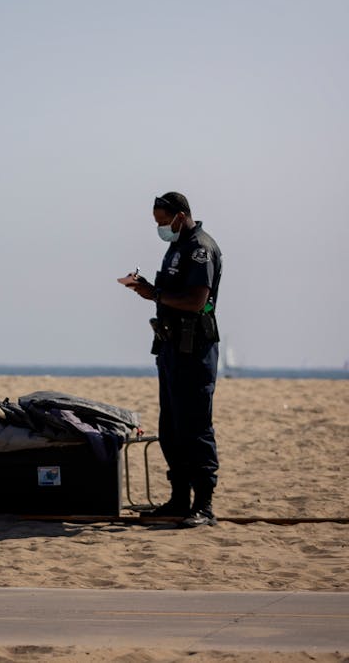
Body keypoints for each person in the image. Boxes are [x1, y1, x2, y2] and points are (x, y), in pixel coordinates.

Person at [122, 191, 222, 528]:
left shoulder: (200, 249)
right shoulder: (176, 247)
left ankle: (203, 505)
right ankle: (179, 499)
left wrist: (156, 294)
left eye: (164, 222)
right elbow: (169, 293)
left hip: (195, 350)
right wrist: (148, 289)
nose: (161, 228)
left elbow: (196, 301)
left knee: (195, 426)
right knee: (171, 428)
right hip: (170, 347)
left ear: (180, 216)